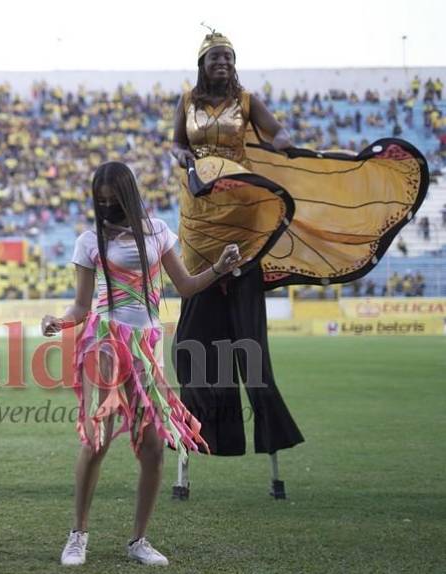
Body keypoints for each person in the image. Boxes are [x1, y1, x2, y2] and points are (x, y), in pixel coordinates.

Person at [170, 31, 427, 499]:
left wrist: (290, 145)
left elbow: (278, 134)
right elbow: (172, 144)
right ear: (203, 64)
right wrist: (183, 155)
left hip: (244, 217)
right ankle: (198, 439)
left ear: (233, 62)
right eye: (215, 57)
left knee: (251, 352)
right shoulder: (185, 100)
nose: (223, 62)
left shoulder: (248, 101)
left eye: (228, 56)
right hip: (199, 220)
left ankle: (271, 451)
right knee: (191, 344)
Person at [42, 162, 240, 567]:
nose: (108, 207)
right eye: (101, 202)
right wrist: (58, 321)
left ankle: (139, 540)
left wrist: (218, 268)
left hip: (148, 346)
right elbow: (81, 305)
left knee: (152, 447)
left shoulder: (159, 231)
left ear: (129, 195)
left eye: (114, 200)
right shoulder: (89, 241)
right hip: (106, 340)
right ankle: (77, 534)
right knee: (98, 438)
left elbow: (184, 285)